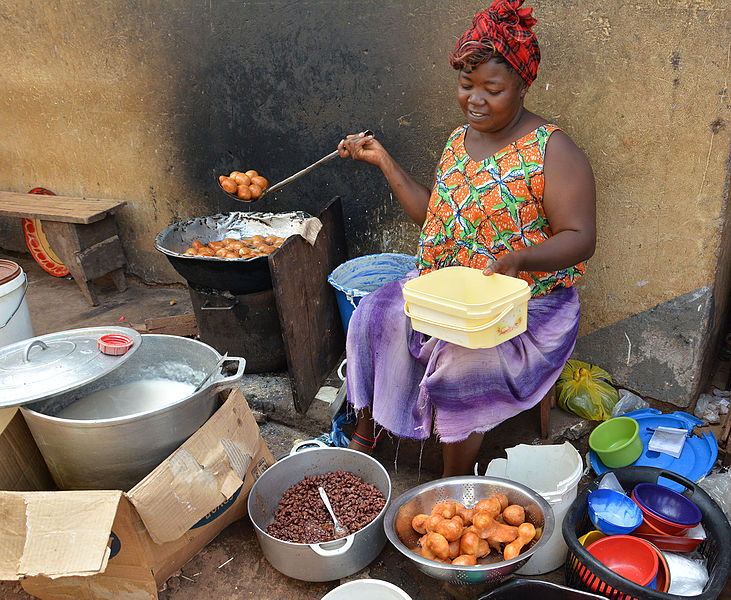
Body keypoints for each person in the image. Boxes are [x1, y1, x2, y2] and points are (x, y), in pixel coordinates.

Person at [337, 0, 596, 477]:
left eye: (492, 89)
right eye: (466, 85)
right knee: (375, 313)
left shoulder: (553, 150)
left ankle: (452, 478)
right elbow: (433, 213)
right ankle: (366, 430)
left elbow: (581, 238)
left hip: (522, 309)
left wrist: (522, 259)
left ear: (521, 84)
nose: (475, 99)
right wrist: (384, 161)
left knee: (462, 362)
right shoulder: (460, 140)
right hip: (448, 290)